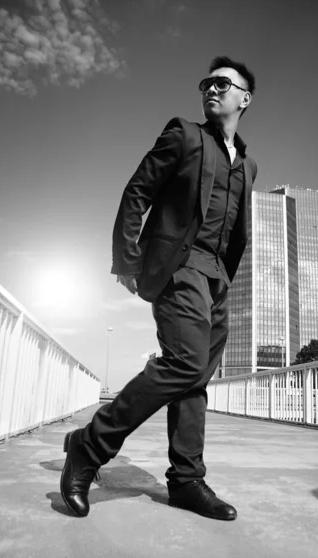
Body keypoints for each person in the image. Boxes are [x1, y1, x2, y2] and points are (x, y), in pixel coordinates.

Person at [61, 56, 257, 521]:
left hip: (217, 280)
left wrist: (225, 279)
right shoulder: (184, 135)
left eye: (223, 84)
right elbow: (138, 191)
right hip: (180, 266)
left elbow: (236, 232)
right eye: (206, 82)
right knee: (184, 363)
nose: (211, 89)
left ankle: (186, 481)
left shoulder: (248, 165)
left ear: (244, 98)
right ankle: (88, 447)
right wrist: (126, 258)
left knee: (195, 381)